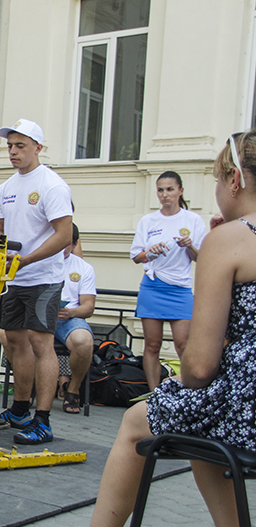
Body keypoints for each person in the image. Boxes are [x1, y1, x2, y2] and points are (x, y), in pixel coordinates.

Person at [90, 131, 256, 526]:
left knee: (138, 421)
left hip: (248, 407)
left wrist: (222, 236)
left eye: (217, 180)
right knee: (196, 416)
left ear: (234, 180)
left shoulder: (229, 239)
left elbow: (199, 367)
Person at [0, 119, 73, 445]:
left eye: (20, 146)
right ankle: (20, 409)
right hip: (14, 277)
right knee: (13, 340)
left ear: (38, 148)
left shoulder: (52, 185)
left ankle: (44, 420)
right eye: (10, 146)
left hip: (43, 277)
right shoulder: (6, 187)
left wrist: (25, 260)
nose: (13, 151)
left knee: (41, 343)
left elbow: (64, 235)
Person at [130, 171, 206, 391]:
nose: (165, 195)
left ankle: (187, 392)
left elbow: (201, 258)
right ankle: (154, 395)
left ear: (180, 191)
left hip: (180, 288)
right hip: (153, 286)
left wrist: (189, 245)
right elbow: (136, 257)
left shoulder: (192, 220)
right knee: (152, 345)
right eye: (160, 190)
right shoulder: (148, 220)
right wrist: (150, 253)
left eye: (170, 189)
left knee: (184, 345)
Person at [55, 223, 96, 414]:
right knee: (6, 333)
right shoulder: (38, 259)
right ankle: (28, 386)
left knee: (84, 341)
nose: (62, 246)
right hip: (38, 315)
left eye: (67, 243)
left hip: (67, 317)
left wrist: (70, 313)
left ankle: (73, 388)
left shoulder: (84, 268)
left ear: (74, 244)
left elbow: (88, 306)